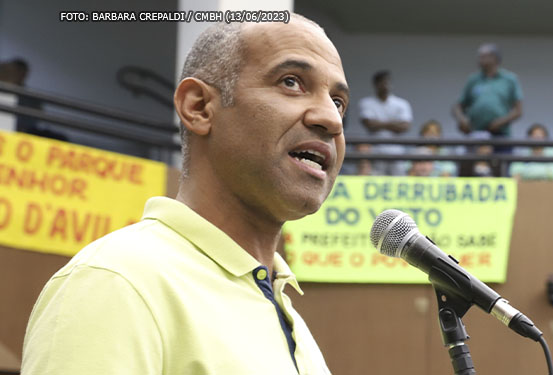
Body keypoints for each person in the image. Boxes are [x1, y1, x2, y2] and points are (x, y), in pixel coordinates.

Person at [22, 18, 344, 374]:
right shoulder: (118, 282)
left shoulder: (292, 322)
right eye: (291, 82)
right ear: (199, 106)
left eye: (339, 101)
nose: (332, 119)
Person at [452, 43, 523, 152]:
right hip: (475, 133)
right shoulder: (473, 80)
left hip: (500, 135)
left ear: (494, 58)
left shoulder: (509, 80)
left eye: (483, 57)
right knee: (471, 166)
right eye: (479, 57)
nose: (479, 60)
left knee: (500, 166)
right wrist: (462, 120)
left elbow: (518, 110)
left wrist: (500, 122)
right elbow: (458, 106)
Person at [358, 70, 412, 175]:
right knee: (377, 183)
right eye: (381, 82)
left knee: (398, 183)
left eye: (387, 82)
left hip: (397, 152)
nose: (385, 85)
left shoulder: (402, 103)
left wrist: (380, 124)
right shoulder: (366, 103)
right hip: (375, 151)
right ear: (375, 84)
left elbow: (405, 126)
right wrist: (394, 123)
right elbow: (369, 124)